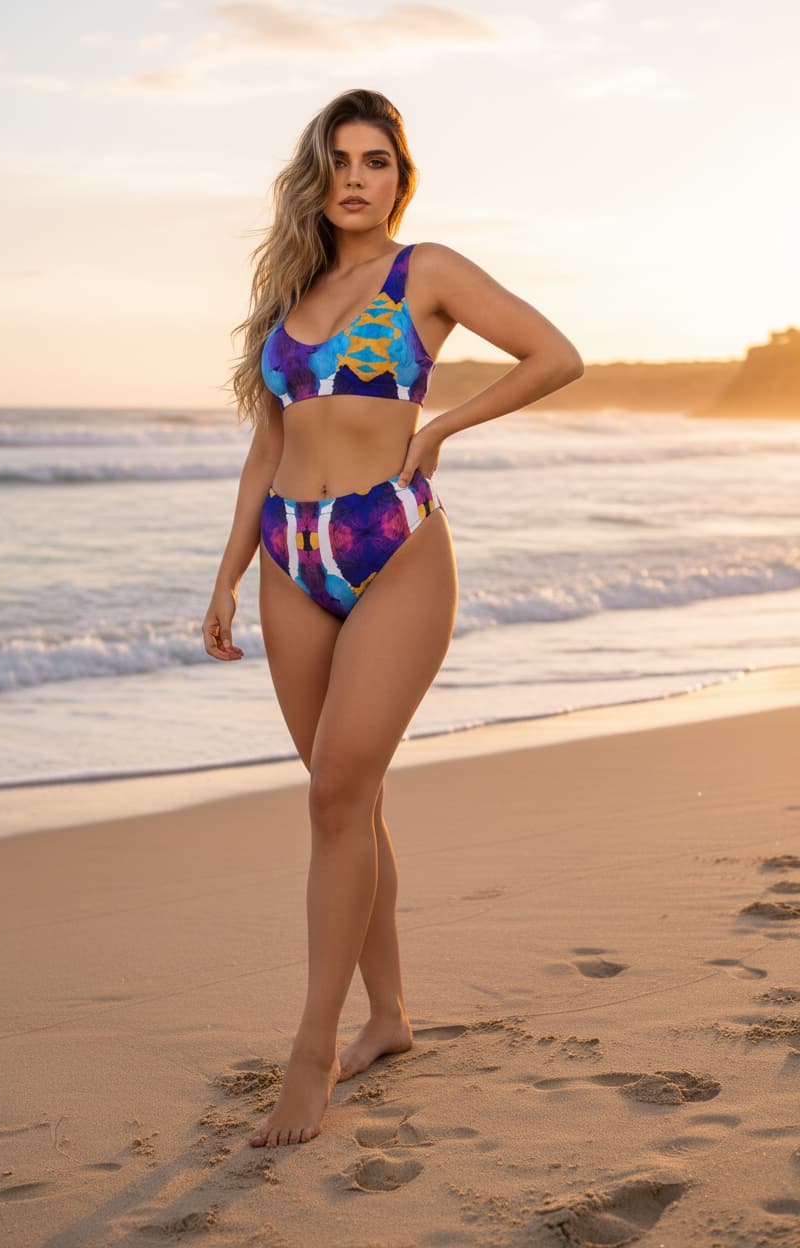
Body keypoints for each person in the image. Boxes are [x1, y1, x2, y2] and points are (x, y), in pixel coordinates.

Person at [203, 88, 584, 1149]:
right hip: (290, 557)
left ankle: (312, 1051)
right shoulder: (288, 293)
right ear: (315, 177)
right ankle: (390, 1018)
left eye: (375, 161)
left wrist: (443, 427)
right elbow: (266, 450)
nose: (355, 178)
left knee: (335, 790)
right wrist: (227, 576)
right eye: (338, 161)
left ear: (399, 178)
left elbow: (556, 355)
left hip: (394, 546)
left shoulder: (428, 273)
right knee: (348, 800)